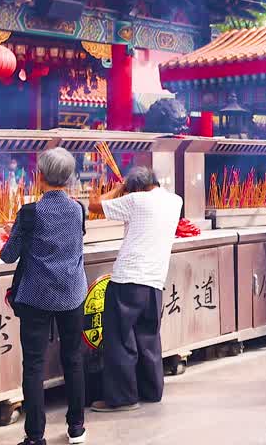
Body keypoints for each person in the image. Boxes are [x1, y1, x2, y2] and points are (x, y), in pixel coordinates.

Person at [0, 147, 89, 445]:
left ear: (40, 177)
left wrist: (12, 233)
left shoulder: (29, 213)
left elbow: (8, 256)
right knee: (73, 359)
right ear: (70, 178)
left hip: (36, 296)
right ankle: (76, 427)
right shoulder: (79, 209)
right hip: (72, 294)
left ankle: (35, 436)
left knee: (34, 365)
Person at [87, 166, 181, 413]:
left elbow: (94, 205)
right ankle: (151, 390)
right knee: (148, 337)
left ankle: (122, 398)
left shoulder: (135, 199)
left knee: (119, 339)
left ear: (135, 187)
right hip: (154, 282)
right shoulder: (175, 200)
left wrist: (120, 188)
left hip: (128, 279)